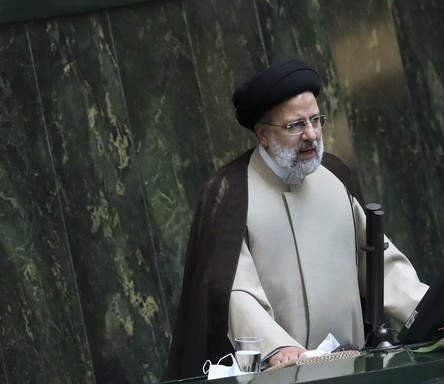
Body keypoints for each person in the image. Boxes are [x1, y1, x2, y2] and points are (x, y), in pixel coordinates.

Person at [163, 59, 428, 380]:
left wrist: (431, 310)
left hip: (357, 366)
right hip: (283, 373)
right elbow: (233, 291)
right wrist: (276, 347)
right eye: (295, 125)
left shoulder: (335, 174)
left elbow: (378, 262)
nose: (311, 134)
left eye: (316, 120)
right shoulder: (231, 192)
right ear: (262, 134)